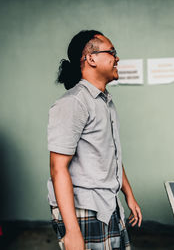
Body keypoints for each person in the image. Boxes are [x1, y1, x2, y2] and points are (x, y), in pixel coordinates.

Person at [47, 30, 142, 250]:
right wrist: (72, 232)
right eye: (112, 52)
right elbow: (57, 168)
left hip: (108, 203)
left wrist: (128, 194)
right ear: (91, 58)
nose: (117, 58)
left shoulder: (105, 101)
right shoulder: (73, 103)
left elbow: (111, 154)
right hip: (84, 208)